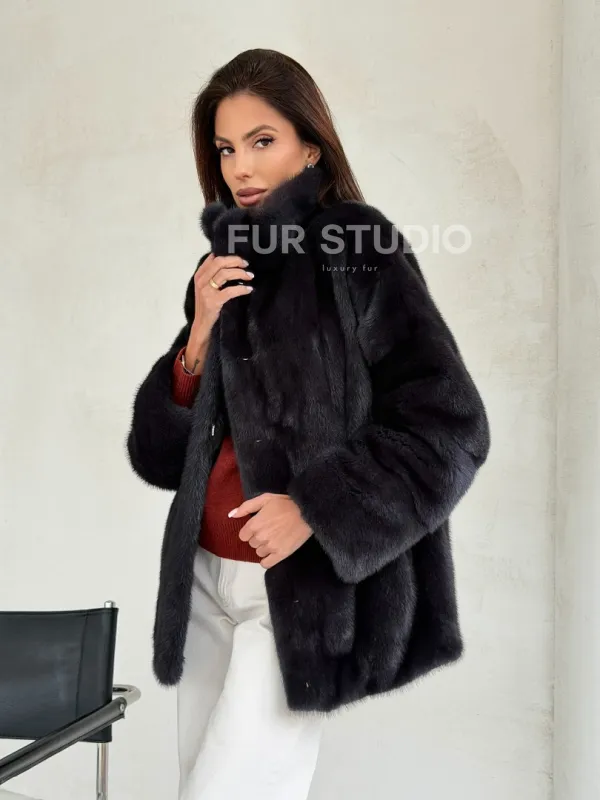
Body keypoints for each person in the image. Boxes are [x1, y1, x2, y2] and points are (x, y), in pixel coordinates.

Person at [125, 48, 491, 800]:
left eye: (262, 141)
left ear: (311, 145)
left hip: (298, 583)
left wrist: (316, 510)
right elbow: (161, 457)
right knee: (202, 783)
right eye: (226, 148)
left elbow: (452, 424)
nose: (241, 168)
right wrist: (198, 336)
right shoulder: (224, 265)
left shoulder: (358, 247)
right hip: (205, 574)